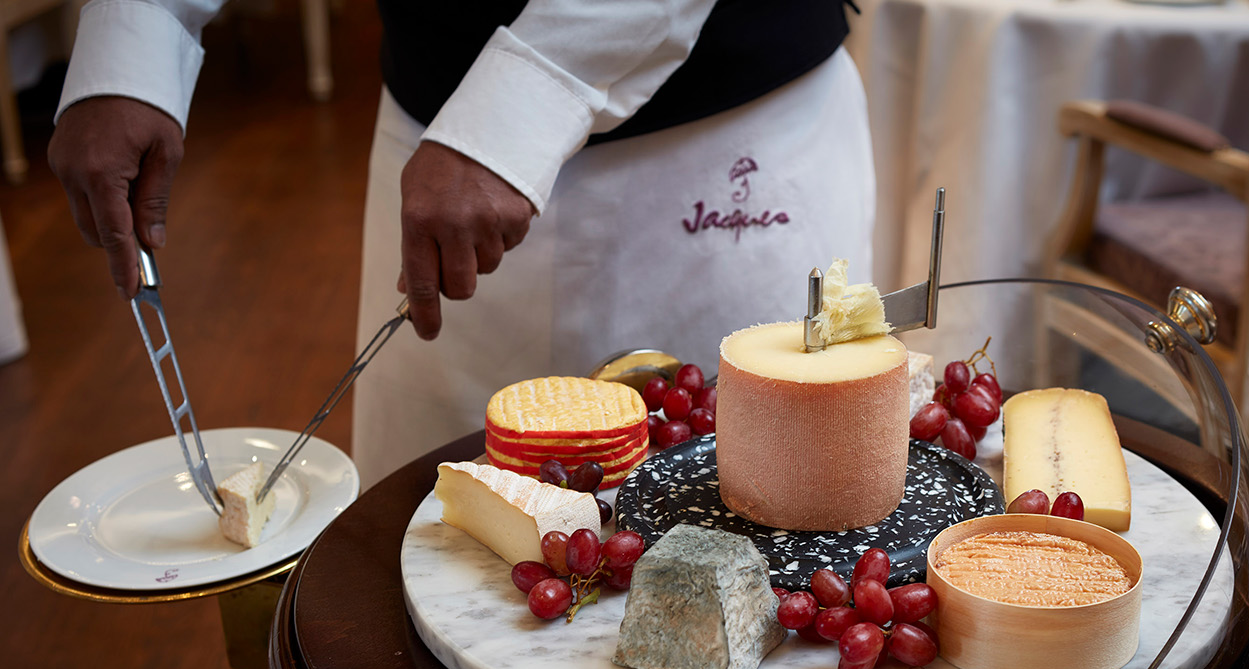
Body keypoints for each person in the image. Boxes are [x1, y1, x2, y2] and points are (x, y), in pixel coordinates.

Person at [48, 0, 876, 486]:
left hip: (721, 148)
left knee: (751, 531)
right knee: (431, 555)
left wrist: (524, 103)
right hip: (434, 157)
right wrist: (140, 27)